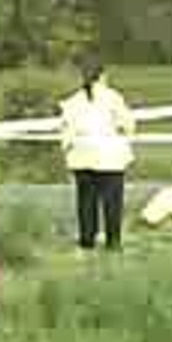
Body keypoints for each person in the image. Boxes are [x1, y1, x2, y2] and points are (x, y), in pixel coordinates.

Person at [59, 56, 135, 252]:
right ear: (102, 75)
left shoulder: (72, 101)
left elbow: (66, 132)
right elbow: (128, 124)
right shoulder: (113, 98)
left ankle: (87, 241)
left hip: (81, 157)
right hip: (110, 158)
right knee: (112, 203)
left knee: (85, 202)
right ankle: (113, 242)